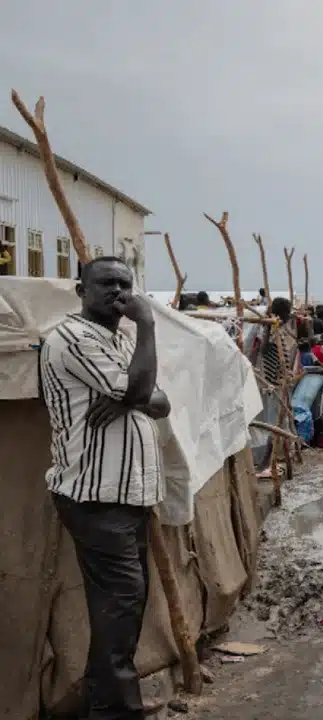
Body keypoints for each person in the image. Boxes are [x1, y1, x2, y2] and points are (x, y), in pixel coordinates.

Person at [38, 256, 171, 719]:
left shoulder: (118, 341)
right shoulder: (71, 338)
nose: (119, 292)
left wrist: (127, 400)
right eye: (107, 284)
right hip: (96, 497)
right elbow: (141, 392)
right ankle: (114, 711)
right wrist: (149, 327)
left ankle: (111, 700)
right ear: (81, 291)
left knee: (123, 603)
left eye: (126, 284)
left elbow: (161, 399)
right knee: (121, 602)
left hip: (126, 495)